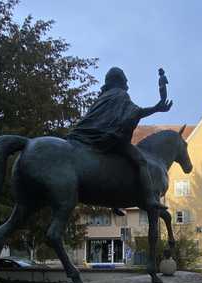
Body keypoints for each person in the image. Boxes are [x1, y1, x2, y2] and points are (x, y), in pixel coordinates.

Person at [67, 67, 172, 210]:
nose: (127, 81)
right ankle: (150, 198)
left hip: (92, 137)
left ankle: (115, 204)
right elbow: (135, 113)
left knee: (114, 164)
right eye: (125, 78)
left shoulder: (103, 96)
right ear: (119, 80)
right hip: (112, 138)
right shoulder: (121, 95)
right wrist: (156, 108)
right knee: (141, 161)